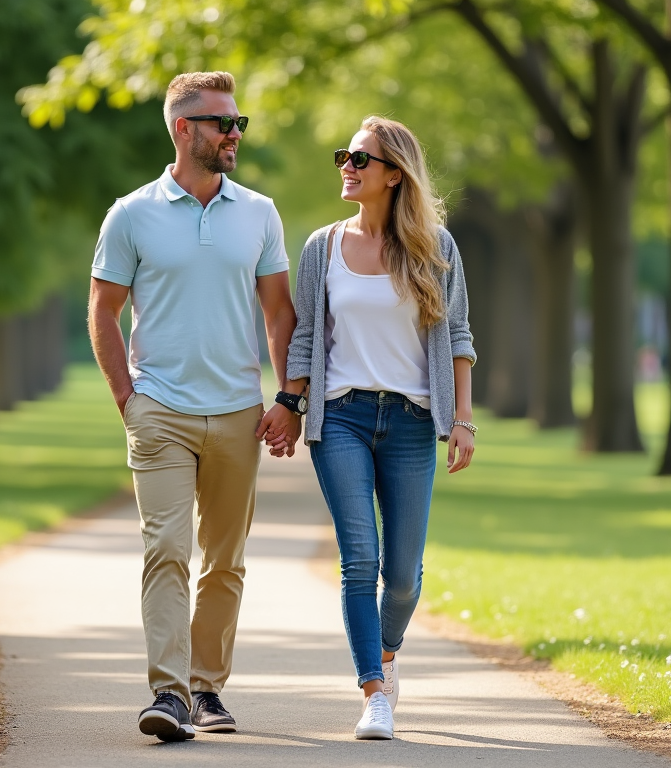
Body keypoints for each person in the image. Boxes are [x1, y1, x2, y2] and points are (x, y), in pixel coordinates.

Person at [87, 71, 300, 742]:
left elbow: (280, 315)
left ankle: (208, 688)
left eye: (238, 123)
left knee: (225, 558)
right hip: (161, 412)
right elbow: (104, 310)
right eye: (222, 123)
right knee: (166, 549)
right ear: (184, 130)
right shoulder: (131, 213)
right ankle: (169, 694)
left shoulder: (260, 213)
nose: (236, 133)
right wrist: (130, 399)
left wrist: (289, 398)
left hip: (238, 411)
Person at [280, 116, 477, 740]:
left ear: (395, 174)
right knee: (359, 558)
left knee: (404, 576)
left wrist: (463, 421)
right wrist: (289, 401)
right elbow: (306, 337)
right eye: (345, 156)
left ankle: (387, 656)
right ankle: (374, 693)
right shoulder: (321, 247)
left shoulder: (436, 248)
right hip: (341, 416)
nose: (347, 166)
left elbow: (460, 339)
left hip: (415, 422)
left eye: (360, 159)